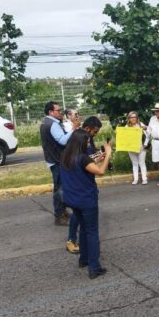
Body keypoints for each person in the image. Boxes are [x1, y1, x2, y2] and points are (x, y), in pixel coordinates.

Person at [60, 129, 111, 279]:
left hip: (72, 199)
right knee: (92, 232)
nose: (89, 143)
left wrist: (97, 158)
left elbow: (84, 165)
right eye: (87, 141)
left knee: (83, 229)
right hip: (86, 200)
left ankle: (84, 259)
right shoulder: (83, 158)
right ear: (81, 142)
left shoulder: (66, 155)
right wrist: (107, 154)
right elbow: (100, 171)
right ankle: (94, 267)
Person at [66, 116, 103, 254]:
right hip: (79, 185)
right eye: (94, 132)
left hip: (87, 181)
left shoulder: (87, 139)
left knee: (83, 220)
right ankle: (71, 239)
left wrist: (98, 156)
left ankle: (84, 253)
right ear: (87, 129)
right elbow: (80, 159)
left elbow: (88, 158)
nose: (94, 136)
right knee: (79, 214)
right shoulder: (78, 138)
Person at [40, 101, 79, 226]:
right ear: (51, 112)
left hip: (53, 158)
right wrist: (73, 129)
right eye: (58, 110)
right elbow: (62, 141)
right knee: (60, 189)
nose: (60, 112)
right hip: (57, 160)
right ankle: (60, 215)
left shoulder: (45, 122)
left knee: (59, 187)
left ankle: (62, 211)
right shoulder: (53, 124)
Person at [126, 111, 149, 185]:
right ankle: (135, 179)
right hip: (131, 149)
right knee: (134, 164)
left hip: (141, 148)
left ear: (137, 118)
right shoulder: (126, 127)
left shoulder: (140, 124)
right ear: (129, 118)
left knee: (142, 163)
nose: (133, 119)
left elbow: (148, 134)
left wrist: (145, 144)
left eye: (134, 117)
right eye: (131, 117)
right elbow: (124, 138)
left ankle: (144, 179)